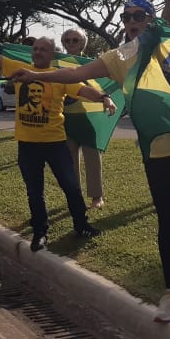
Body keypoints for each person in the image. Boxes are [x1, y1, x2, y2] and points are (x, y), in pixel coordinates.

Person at [8, 0, 170, 333]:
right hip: (155, 152)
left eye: (139, 15)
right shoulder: (122, 56)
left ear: (152, 20)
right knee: (167, 220)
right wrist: (36, 76)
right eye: (126, 17)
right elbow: (77, 73)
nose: (131, 21)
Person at [0, 27, 113, 252]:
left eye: (43, 50)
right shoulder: (19, 70)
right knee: (34, 191)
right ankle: (40, 233)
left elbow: (83, 90)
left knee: (71, 187)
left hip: (56, 143)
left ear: (52, 54)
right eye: (35, 49)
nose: (37, 52)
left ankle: (81, 225)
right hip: (28, 145)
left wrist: (104, 98)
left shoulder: (58, 76)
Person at [61, 27, 106, 210]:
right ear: (63, 43)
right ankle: (74, 196)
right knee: (69, 160)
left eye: (76, 40)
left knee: (92, 159)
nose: (71, 43)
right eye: (68, 40)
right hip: (66, 119)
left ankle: (97, 197)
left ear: (83, 43)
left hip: (89, 119)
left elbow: (105, 84)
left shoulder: (91, 64)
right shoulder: (57, 64)